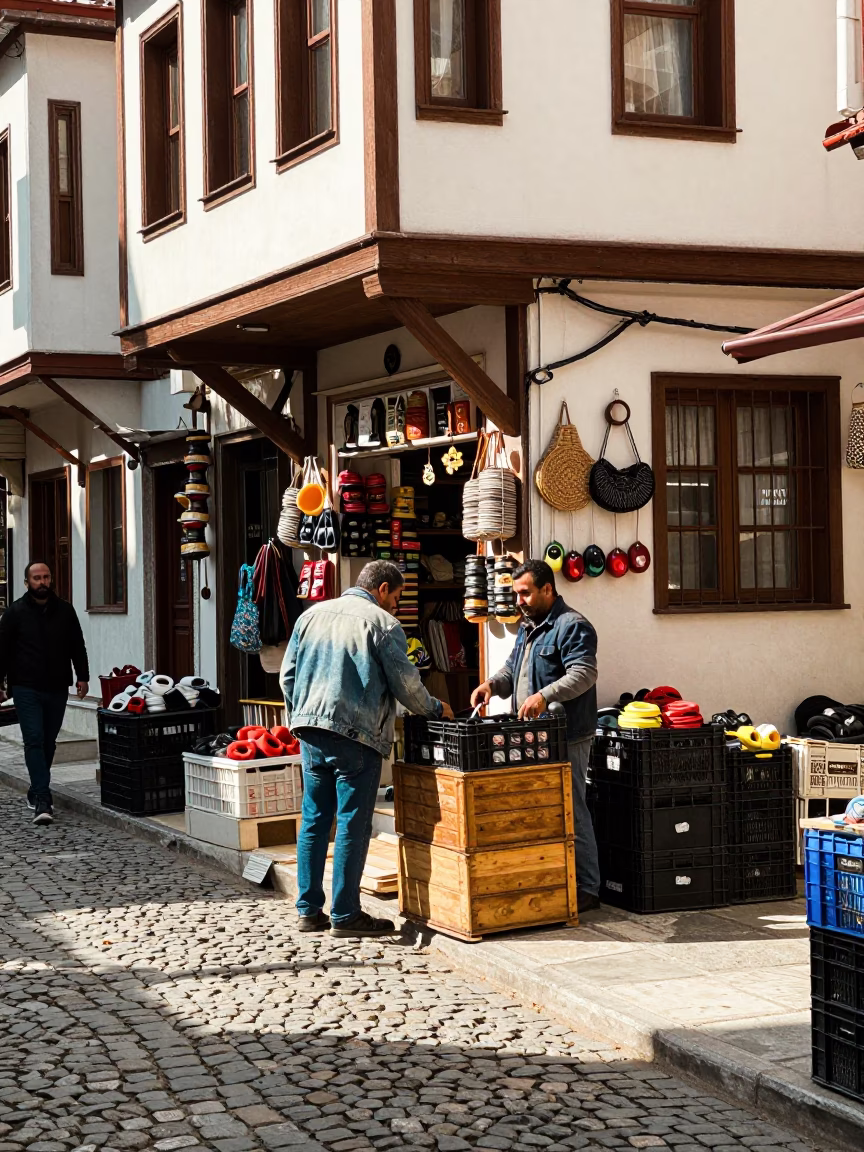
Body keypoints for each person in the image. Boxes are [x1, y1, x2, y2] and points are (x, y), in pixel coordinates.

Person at [282, 560, 453, 939]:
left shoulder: (311, 616)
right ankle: (345, 915)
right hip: (356, 735)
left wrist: (298, 719)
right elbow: (407, 687)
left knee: (314, 819)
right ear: (382, 589)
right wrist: (438, 708)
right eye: (397, 595)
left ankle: (308, 911)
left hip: (310, 729)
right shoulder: (382, 624)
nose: (397, 603)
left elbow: (288, 676)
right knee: (351, 824)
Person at [471, 559, 600, 913]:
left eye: (525, 593)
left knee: (572, 807)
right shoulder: (528, 627)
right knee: (540, 809)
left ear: (547, 589)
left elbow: (584, 674)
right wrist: (492, 685)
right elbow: (513, 670)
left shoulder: (572, 626)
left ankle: (588, 887)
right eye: (516, 593)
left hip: (568, 736)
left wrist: (545, 696)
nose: (519, 601)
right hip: (532, 736)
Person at [0, 561, 90, 826]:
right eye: (36, 578)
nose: (42, 582)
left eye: (46, 577)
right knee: (34, 740)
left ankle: (35, 788)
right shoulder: (14, 612)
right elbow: (2, 650)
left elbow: (77, 644)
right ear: (27, 583)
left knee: (49, 742)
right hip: (25, 687)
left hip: (57, 686)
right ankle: (42, 798)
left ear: (51, 579)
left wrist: (82, 676)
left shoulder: (65, 611)